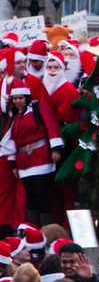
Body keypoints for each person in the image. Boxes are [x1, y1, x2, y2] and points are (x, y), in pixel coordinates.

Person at [0, 79, 64, 226]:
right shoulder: (15, 118)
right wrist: (13, 165)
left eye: (20, 98)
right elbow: (10, 143)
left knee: (44, 196)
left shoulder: (38, 109)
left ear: (26, 98)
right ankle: (33, 230)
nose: (18, 101)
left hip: (41, 159)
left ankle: (45, 230)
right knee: (31, 199)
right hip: (24, 164)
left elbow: (51, 126)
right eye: (15, 99)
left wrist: (55, 149)